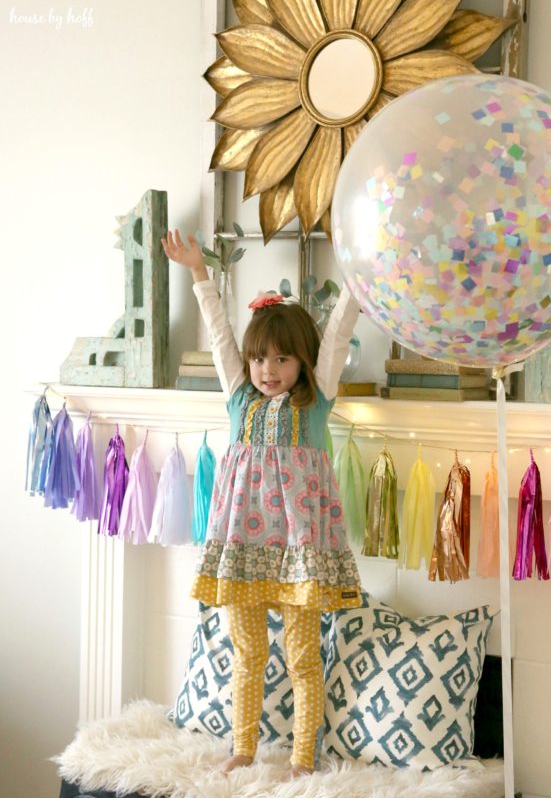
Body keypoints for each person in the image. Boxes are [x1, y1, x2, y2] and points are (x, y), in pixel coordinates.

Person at [161, 229, 362, 780]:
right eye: (260, 360)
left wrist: (359, 280)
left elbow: (341, 329)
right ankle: (243, 747)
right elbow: (222, 335)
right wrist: (200, 271)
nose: (268, 369)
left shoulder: (316, 398)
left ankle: (302, 757)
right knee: (247, 653)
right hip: (242, 548)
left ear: (304, 362)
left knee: (302, 657)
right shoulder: (238, 396)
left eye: (282, 359)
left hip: (299, 551)